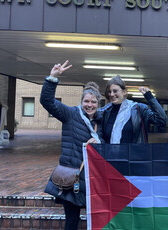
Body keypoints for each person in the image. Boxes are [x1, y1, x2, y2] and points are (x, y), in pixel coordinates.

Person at [40, 60, 103, 230]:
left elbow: (108, 146)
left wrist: (100, 142)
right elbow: (48, 102)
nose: (90, 105)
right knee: (71, 222)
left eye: (94, 102)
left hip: (93, 180)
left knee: (96, 221)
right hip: (72, 179)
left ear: (98, 103)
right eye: (87, 101)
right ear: (81, 102)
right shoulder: (71, 114)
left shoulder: (101, 122)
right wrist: (52, 78)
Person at [101, 75, 167, 144]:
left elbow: (161, 120)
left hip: (133, 154)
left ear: (124, 92)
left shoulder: (138, 109)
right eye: (109, 91)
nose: (111, 94)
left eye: (115, 91)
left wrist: (149, 97)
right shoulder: (106, 112)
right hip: (110, 154)